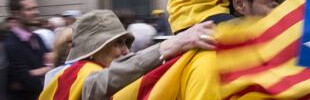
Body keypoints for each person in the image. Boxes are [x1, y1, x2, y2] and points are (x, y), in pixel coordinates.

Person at [39, 10, 216, 100]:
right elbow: (107, 79)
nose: (126, 51)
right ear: (94, 49)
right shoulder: (78, 74)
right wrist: (174, 44)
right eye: (118, 44)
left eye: (126, 43)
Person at [4, 0, 53, 100]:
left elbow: (55, 65)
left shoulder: (37, 38)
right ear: (15, 14)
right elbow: (28, 83)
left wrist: (35, 72)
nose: (36, 12)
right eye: (30, 9)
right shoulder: (11, 45)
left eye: (36, 8)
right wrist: (48, 69)